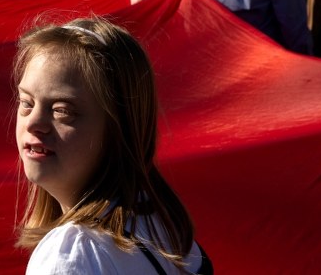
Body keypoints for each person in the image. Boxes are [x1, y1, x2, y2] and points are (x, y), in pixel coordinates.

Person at [13, 18, 212, 275]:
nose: (34, 123)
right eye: (26, 102)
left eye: (63, 111)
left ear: (119, 130)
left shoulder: (74, 256)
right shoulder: (160, 222)